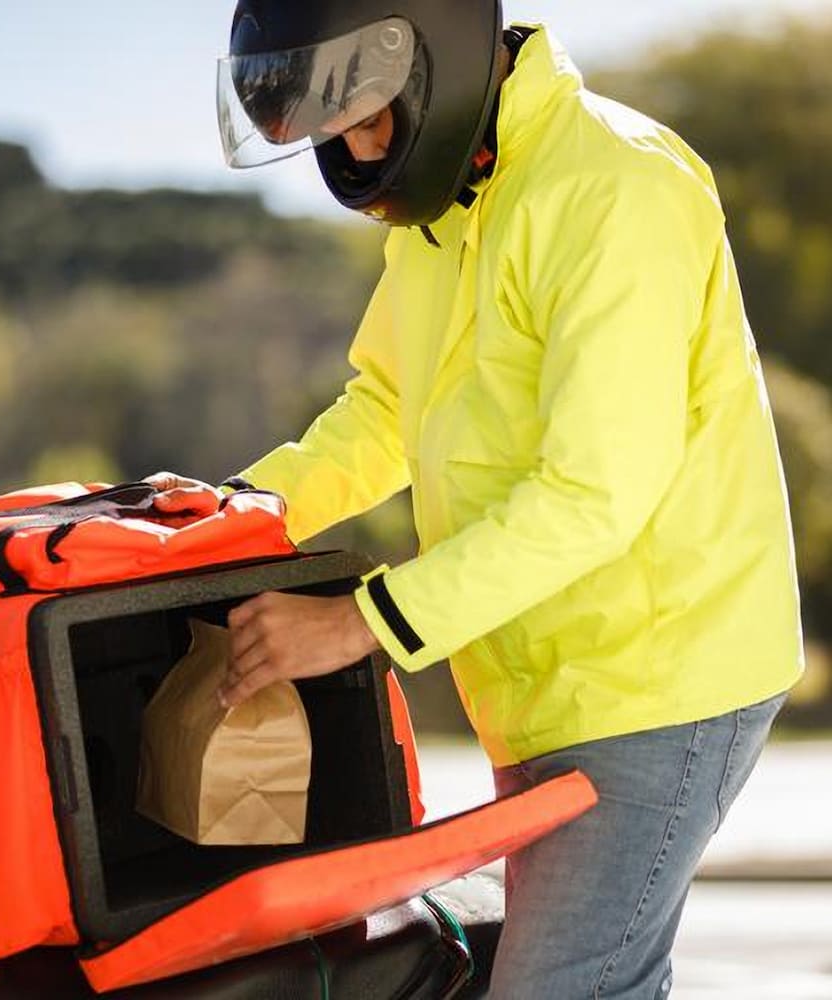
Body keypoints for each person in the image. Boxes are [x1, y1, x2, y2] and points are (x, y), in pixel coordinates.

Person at [149, 1, 804, 995]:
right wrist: (228, 512)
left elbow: (594, 493)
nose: (356, 149)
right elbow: (384, 413)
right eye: (330, 130)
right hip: (547, 682)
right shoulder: (450, 205)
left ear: (430, 56)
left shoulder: (612, 189)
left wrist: (359, 621)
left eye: (361, 115)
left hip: (663, 673)